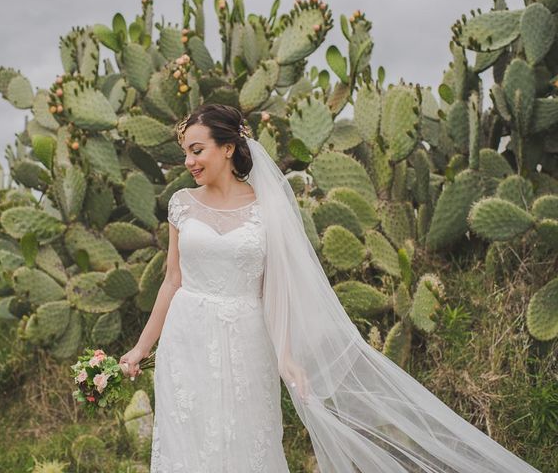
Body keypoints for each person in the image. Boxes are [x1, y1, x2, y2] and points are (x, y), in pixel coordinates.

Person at [119, 104, 540, 472]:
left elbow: (275, 292)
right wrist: (141, 348)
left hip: (246, 339)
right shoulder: (182, 204)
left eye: (197, 150)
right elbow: (173, 280)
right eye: (186, 153)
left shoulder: (267, 208)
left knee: (245, 438)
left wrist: (287, 358)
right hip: (186, 338)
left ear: (227, 147)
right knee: (189, 441)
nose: (190, 161)